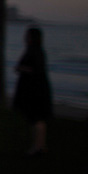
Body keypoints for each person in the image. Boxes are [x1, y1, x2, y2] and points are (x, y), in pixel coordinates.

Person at [12, 27, 52, 156]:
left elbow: (35, 70)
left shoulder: (35, 52)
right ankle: (39, 145)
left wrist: (21, 68)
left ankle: (38, 146)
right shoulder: (34, 51)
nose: (25, 38)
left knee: (36, 118)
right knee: (35, 119)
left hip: (35, 90)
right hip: (34, 89)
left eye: (28, 35)